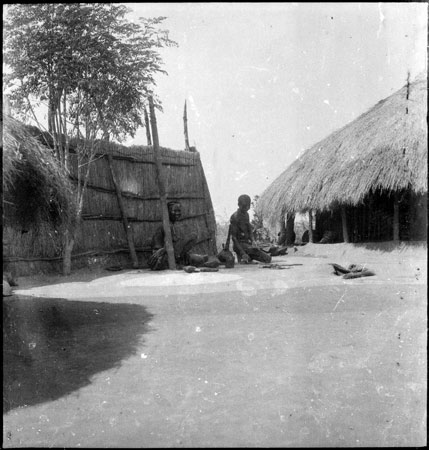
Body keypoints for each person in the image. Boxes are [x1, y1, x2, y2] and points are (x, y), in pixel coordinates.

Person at [148, 201, 211, 270]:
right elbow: (157, 251)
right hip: (162, 259)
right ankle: (183, 265)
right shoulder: (165, 226)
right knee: (193, 236)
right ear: (168, 212)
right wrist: (164, 250)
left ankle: (196, 260)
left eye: (179, 211)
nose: (177, 213)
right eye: (174, 211)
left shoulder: (171, 225)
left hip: (172, 255)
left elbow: (176, 245)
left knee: (198, 259)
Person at [229, 194, 272, 264]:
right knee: (266, 258)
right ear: (238, 205)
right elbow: (234, 238)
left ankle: (248, 257)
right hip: (239, 245)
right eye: (244, 206)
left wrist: (253, 241)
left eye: (248, 206)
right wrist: (242, 252)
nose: (246, 208)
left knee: (267, 258)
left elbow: (249, 229)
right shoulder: (235, 217)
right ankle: (245, 256)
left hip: (247, 245)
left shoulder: (246, 215)